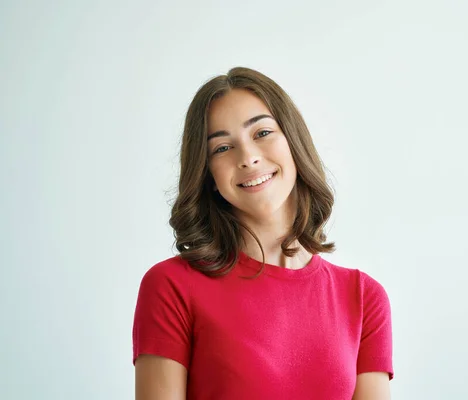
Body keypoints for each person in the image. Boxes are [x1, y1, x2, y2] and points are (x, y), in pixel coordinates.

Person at [132, 67, 394, 399]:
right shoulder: (172, 287)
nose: (249, 158)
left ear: (293, 142)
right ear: (208, 174)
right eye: (222, 148)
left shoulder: (363, 298)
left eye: (262, 133)